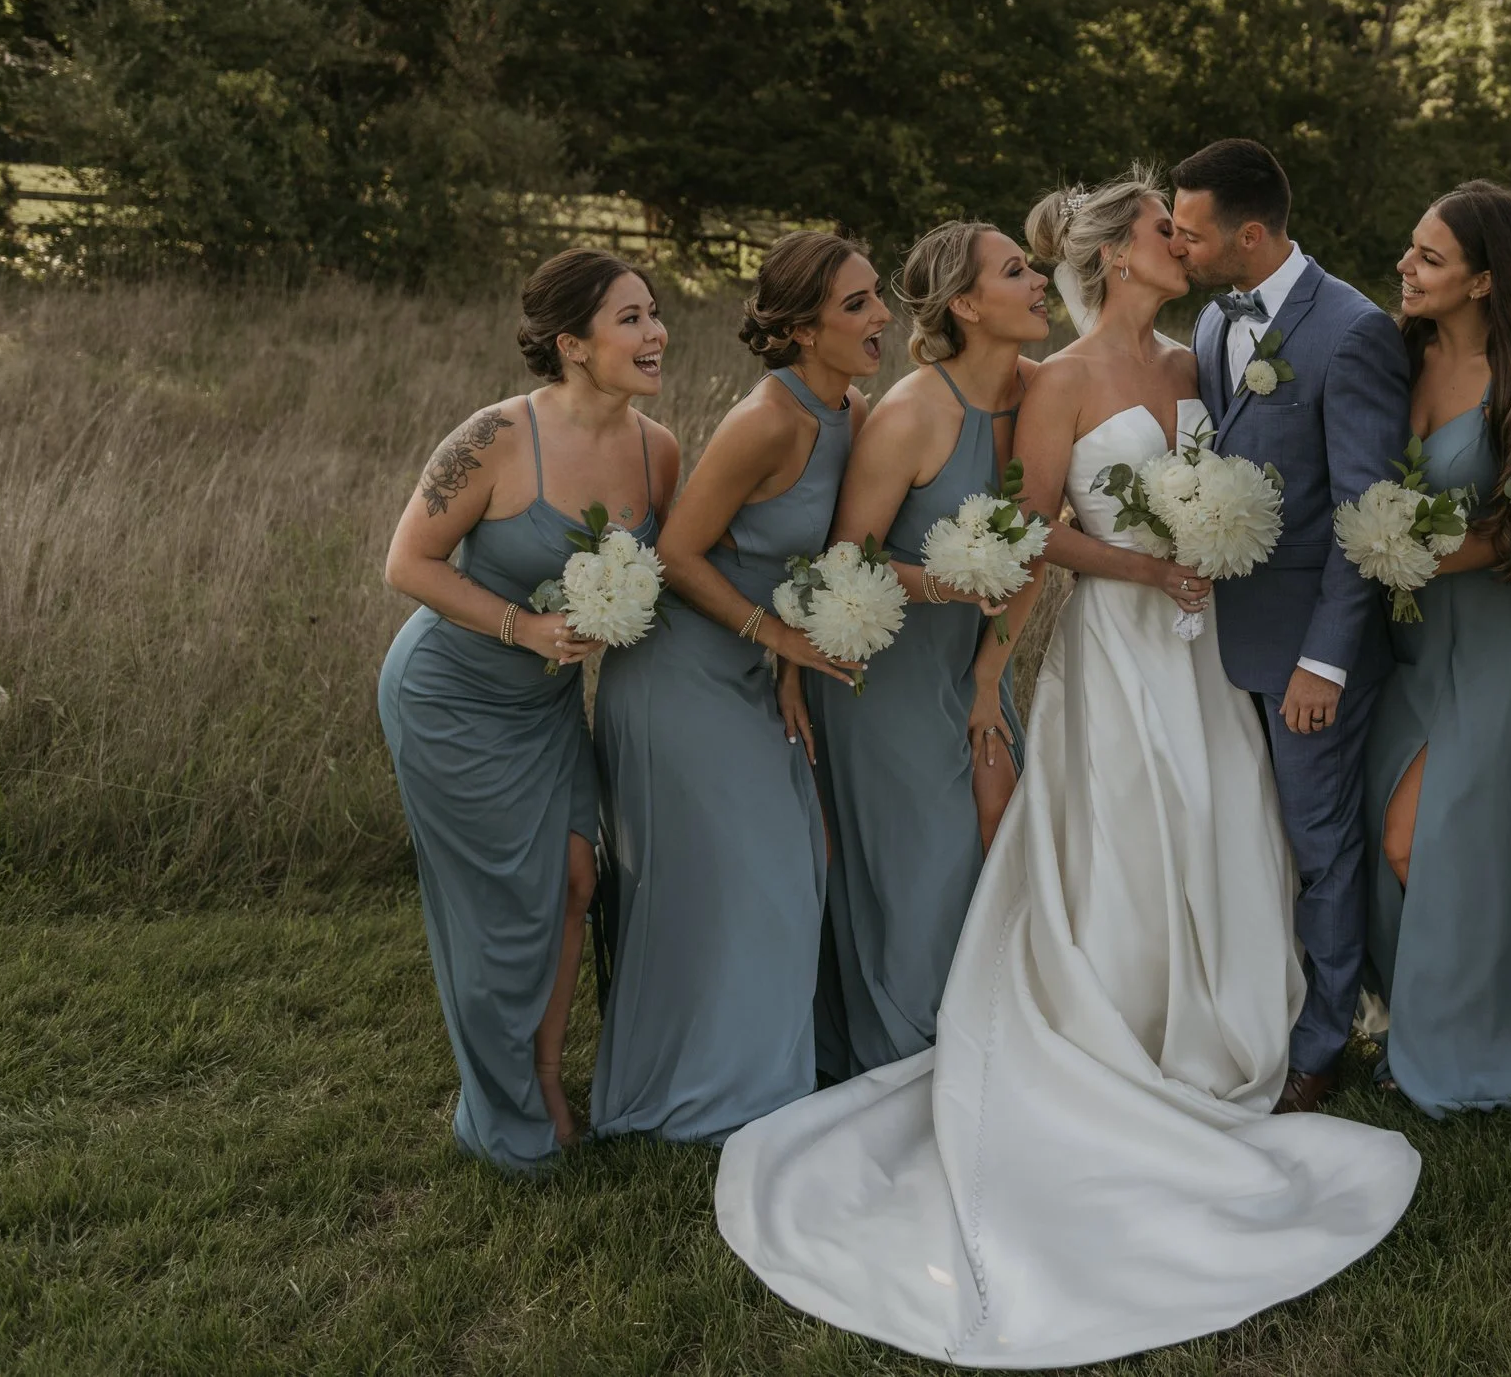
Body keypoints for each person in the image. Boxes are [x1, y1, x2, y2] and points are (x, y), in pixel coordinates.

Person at [714, 170, 1419, 1370]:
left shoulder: (1203, 360)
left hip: (1205, 649)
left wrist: (1216, 536)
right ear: (1119, 252)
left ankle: (1237, 1024)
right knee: (1131, 835)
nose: (1181, 240)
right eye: (1162, 228)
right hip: (1120, 648)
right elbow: (1034, 528)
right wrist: (1113, 590)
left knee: (1223, 822)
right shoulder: (1056, 380)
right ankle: (1126, 1028)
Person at [377, 248, 679, 1170]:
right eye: (631, 318)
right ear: (573, 344)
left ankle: (546, 1076)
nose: (656, 332)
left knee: (579, 879)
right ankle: (500, 1108)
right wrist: (525, 627)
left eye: (654, 313)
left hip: (546, 709)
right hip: (451, 697)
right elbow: (407, 564)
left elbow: (671, 576)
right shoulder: (495, 437)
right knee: (500, 908)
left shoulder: (659, 451)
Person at [589, 232, 885, 1142]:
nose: (882, 316)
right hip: (679, 673)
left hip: (752, 670)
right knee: (754, 874)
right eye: (857, 304)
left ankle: (760, 1072)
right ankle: (708, 1096)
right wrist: (779, 638)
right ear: (803, 330)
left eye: (877, 295)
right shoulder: (766, 420)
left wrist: (790, 662)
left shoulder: (853, 410)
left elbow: (815, 560)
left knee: (798, 863)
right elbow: (678, 554)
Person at [1171, 137, 1411, 1111]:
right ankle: (1261, 1007)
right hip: (1216, 640)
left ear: (1250, 234)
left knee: (1320, 845)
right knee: (1250, 841)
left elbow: (1365, 516)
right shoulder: (1209, 320)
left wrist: (1325, 661)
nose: (1176, 247)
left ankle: (1322, 1044)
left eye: (1190, 234)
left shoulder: (1351, 332)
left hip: (1309, 651)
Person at [1359, 181, 1511, 1116]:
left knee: (1429, 840)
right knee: (1385, 836)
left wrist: (1413, 557)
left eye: (1430, 257)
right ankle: (1422, 1019)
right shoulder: (1393, 354)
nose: (1405, 267)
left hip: (1498, 639)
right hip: (1407, 644)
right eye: (1411, 248)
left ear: (1484, 280)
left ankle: (1464, 1043)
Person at [810, 220, 1044, 1079]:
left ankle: (990, 1049)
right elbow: (847, 560)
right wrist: (949, 583)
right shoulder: (913, 412)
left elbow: (1036, 553)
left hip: (976, 664)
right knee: (926, 868)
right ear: (967, 305)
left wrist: (988, 672)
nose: (1038, 280)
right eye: (1015, 270)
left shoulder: (1041, 395)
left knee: (997, 834)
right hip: (890, 671)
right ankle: (909, 1062)